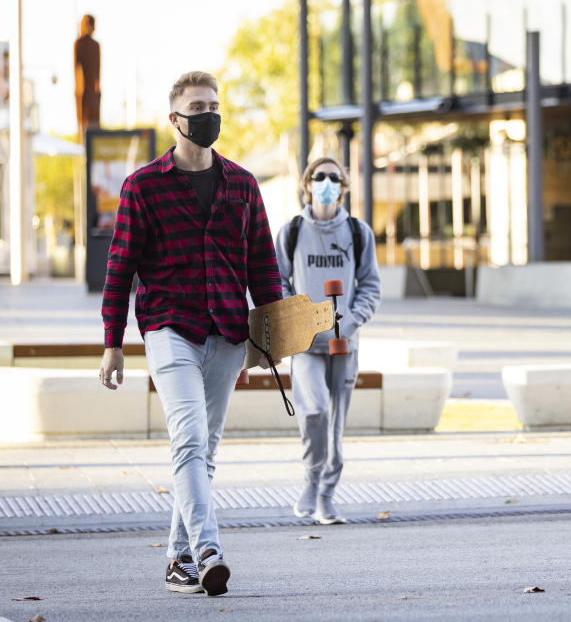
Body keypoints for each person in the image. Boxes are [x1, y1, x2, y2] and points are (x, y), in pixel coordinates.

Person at [98, 71, 282, 596]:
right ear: (175, 119)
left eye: (214, 105)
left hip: (227, 333)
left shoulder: (243, 185)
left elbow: (263, 267)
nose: (209, 115)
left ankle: (179, 560)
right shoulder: (142, 186)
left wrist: (271, 336)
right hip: (168, 328)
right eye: (198, 106)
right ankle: (208, 549)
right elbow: (120, 268)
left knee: (206, 449)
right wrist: (113, 342)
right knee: (190, 437)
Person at [275, 157, 381, 524]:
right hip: (305, 344)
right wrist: (294, 317)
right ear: (307, 183)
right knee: (315, 412)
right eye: (319, 176)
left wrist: (351, 321)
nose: (326, 182)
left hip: (343, 344)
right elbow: (276, 281)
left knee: (335, 424)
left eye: (334, 177)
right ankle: (311, 477)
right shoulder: (291, 232)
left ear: (344, 186)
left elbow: (370, 284)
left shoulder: (357, 232)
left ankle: (326, 494)